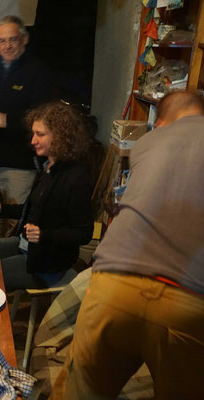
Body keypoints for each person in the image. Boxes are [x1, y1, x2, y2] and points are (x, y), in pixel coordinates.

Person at [51, 91, 204, 399]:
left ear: (160, 122)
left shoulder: (148, 143)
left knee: (80, 391)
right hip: (189, 299)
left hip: (115, 282)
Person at [0, 102, 93, 291]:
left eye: (40, 135)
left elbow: (84, 233)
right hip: (28, 247)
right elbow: (32, 209)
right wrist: (2, 208)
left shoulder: (75, 178)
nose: (33, 140)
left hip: (46, 265)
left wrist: (45, 235)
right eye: (34, 133)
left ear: (60, 137)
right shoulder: (48, 166)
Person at [0, 16, 54, 210]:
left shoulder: (37, 71)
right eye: (1, 41)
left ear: (24, 39)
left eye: (12, 39)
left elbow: (45, 114)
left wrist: (10, 120)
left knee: (15, 218)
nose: (7, 46)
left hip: (19, 165)